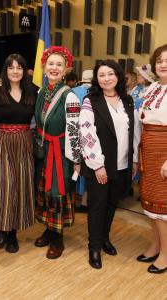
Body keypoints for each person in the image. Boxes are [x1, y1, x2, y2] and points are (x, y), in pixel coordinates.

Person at [79, 59, 138, 269]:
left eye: (110, 74)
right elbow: (86, 134)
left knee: (112, 204)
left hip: (122, 164)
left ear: (118, 76)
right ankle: (94, 247)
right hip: (100, 166)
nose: (106, 78)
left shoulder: (127, 101)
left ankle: (104, 239)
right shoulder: (90, 100)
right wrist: (97, 165)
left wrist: (133, 160)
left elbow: (134, 132)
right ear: (97, 78)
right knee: (97, 206)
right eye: (101, 75)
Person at [34, 46, 81, 259]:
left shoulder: (69, 96)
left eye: (59, 65)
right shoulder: (42, 92)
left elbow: (73, 130)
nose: (54, 68)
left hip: (61, 153)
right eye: (50, 64)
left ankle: (57, 237)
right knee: (44, 192)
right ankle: (48, 228)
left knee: (57, 193)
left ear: (66, 70)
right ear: (44, 67)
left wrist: (75, 160)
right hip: (44, 151)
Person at [0, 53, 36, 253]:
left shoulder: (34, 91)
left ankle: (13, 232)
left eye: (19, 68)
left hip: (24, 143)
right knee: (2, 186)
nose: (15, 71)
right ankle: (1, 227)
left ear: (24, 71)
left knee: (20, 186)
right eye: (11, 68)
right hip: (2, 142)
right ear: (5, 71)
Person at [136, 44, 167, 274]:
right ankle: (156, 244)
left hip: (164, 150)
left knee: (163, 206)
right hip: (148, 147)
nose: (163, 64)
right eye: (159, 61)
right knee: (149, 201)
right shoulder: (153, 87)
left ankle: (166, 253)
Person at [72, 69, 93, 213]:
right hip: (90, 136)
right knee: (89, 168)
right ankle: (85, 202)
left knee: (73, 167)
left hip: (73, 134)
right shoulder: (97, 92)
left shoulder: (72, 91)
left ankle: (72, 199)